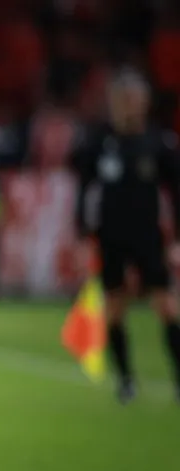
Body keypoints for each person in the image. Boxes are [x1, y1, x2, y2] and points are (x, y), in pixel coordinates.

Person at [70, 69, 180, 404]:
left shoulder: (158, 143)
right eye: (124, 100)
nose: (130, 106)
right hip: (111, 237)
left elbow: (176, 192)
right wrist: (81, 234)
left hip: (148, 236)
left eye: (136, 100)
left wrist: (176, 239)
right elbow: (83, 191)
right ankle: (126, 381)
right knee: (115, 308)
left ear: (146, 103)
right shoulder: (98, 142)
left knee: (166, 307)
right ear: (113, 103)